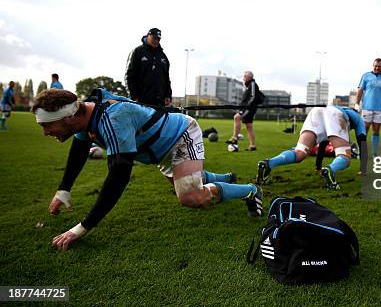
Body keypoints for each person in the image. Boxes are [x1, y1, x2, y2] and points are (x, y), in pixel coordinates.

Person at [32, 88, 263, 251]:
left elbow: (118, 177)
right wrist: (64, 190)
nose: (45, 132)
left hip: (180, 136)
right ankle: (223, 178)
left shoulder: (113, 119)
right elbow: (79, 149)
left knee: (192, 197)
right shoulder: (85, 117)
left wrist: (82, 228)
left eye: (46, 125)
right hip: (159, 150)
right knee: (185, 183)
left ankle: (251, 191)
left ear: (69, 117)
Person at [256, 105, 366, 190]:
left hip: (316, 112)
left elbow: (323, 143)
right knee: (345, 156)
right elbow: (362, 141)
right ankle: (330, 170)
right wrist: (364, 169)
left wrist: (318, 166)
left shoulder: (338, 109)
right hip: (335, 115)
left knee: (300, 152)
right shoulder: (357, 117)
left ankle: (269, 163)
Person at [355, 58, 381, 157]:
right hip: (367, 107)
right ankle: (361, 152)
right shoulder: (366, 76)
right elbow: (360, 91)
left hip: (380, 108)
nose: (377, 68)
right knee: (364, 131)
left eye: (379, 66)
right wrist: (356, 103)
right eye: (375, 66)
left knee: (376, 131)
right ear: (373, 65)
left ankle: (374, 153)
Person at [125, 28, 172, 107]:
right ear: (148, 36)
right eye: (154, 38)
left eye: (158, 39)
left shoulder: (163, 56)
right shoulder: (137, 52)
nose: (156, 41)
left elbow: (166, 78)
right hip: (141, 101)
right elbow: (129, 76)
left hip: (159, 102)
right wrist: (133, 96)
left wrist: (168, 95)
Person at [225, 71, 262, 150]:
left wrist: (247, 106)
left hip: (248, 108)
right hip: (248, 107)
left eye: (245, 76)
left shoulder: (252, 84)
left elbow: (253, 96)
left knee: (237, 117)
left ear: (249, 77)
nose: (243, 78)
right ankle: (253, 146)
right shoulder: (248, 85)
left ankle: (234, 138)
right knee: (249, 126)